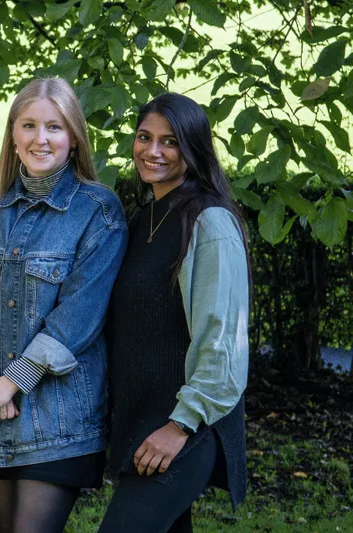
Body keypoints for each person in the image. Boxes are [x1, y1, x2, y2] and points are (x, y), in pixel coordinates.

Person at [0, 77, 127, 533]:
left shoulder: (98, 211)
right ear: (13, 133)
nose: (40, 139)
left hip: (57, 419)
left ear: (74, 137)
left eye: (54, 127)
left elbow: (80, 315)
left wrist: (11, 382)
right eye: (29, 125)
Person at [98, 93, 250, 533]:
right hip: (141, 421)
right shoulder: (142, 218)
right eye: (144, 137)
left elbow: (223, 336)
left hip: (187, 427)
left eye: (170, 141)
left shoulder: (209, 222)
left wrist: (180, 426)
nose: (153, 151)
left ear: (193, 148)